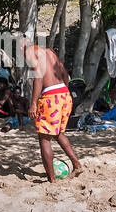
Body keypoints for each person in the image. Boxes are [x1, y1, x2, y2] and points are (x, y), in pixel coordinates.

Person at [28, 38, 80, 182]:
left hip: (51, 97)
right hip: (64, 93)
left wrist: (33, 103)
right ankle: (77, 164)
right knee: (57, 133)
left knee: (44, 138)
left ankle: (51, 179)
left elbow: (38, 79)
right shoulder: (50, 52)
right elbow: (64, 73)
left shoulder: (32, 54)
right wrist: (64, 93)